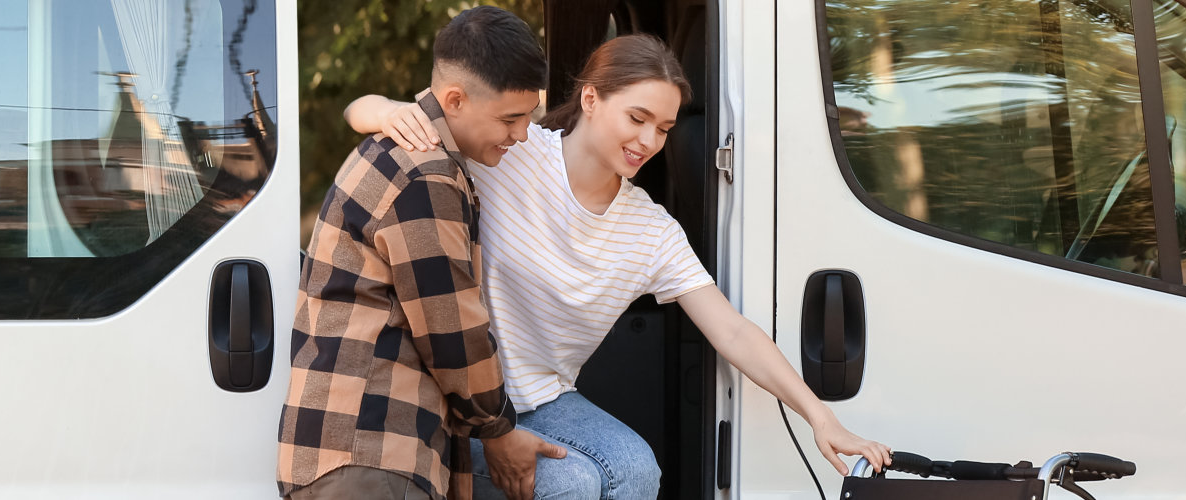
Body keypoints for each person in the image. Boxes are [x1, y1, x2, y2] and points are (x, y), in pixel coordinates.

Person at [348, 34, 893, 500]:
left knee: (635, 469)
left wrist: (822, 418)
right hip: (465, 400)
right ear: (590, 99)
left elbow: (733, 331)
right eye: (637, 118)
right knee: (576, 484)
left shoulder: (650, 231)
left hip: (543, 399)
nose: (649, 142)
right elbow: (367, 111)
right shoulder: (511, 151)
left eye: (664, 128)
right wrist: (389, 113)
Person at [279, 7, 568, 500]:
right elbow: (452, 330)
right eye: (510, 118)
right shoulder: (426, 174)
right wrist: (497, 429)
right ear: (455, 99)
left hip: (353, 453)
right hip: (371, 452)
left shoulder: (400, 148)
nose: (521, 135)